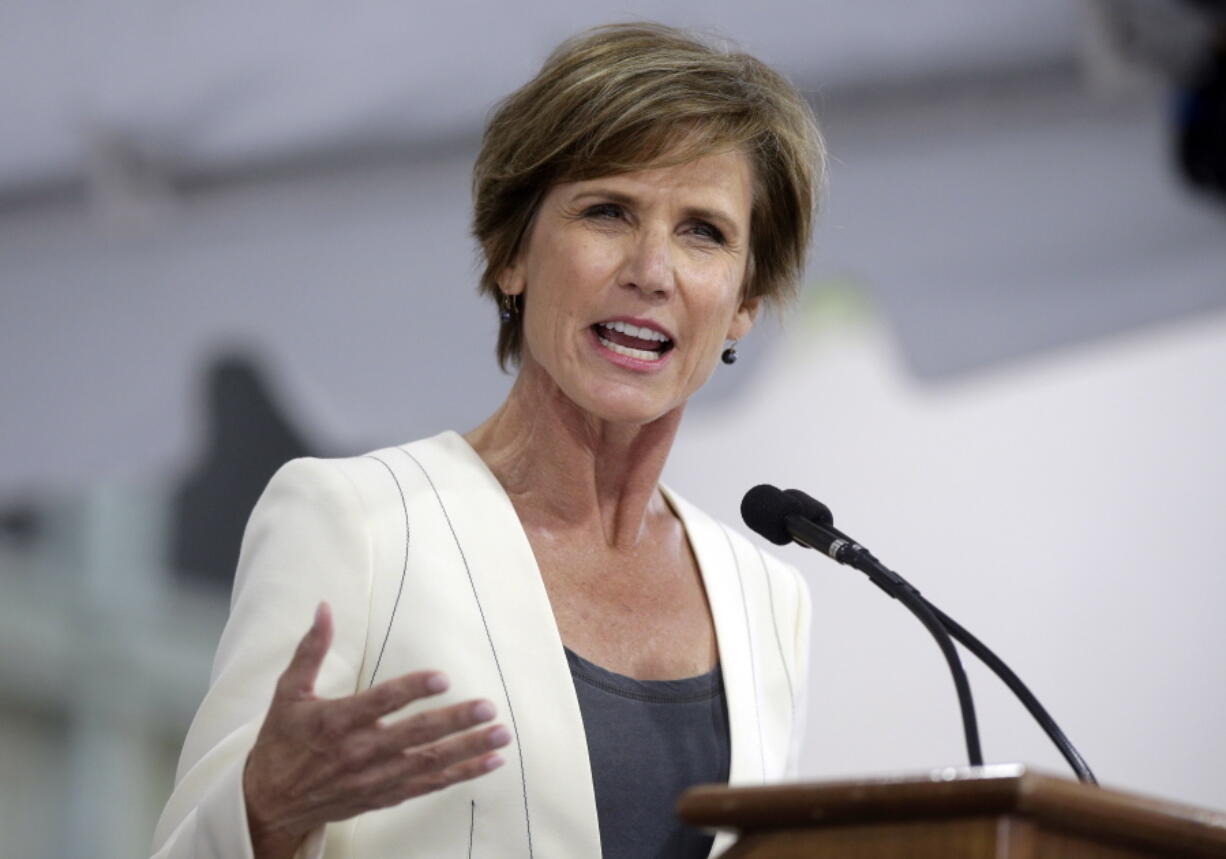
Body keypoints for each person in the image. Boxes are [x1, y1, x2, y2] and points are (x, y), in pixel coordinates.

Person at [152, 21, 824, 859]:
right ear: (512, 254)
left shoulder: (768, 595)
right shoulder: (356, 523)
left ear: (745, 302)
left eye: (703, 232)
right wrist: (264, 811)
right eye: (608, 212)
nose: (652, 269)